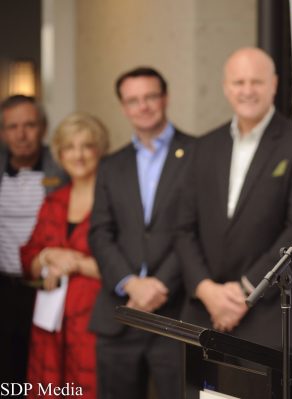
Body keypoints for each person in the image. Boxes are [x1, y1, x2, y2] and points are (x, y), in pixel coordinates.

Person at [176, 47, 292, 355]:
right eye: (238, 82)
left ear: (274, 84)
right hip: (206, 317)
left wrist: (248, 289)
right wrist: (206, 290)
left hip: (273, 323)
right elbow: (182, 228)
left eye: (256, 82)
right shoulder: (203, 147)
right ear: (225, 87)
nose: (247, 91)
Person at [88, 67, 194, 399]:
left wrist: (160, 285)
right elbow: (100, 233)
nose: (143, 106)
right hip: (121, 313)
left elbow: (198, 231)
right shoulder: (110, 164)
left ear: (165, 98)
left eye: (150, 97)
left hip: (176, 314)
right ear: (123, 107)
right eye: (133, 100)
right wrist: (131, 283)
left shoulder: (199, 153)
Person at [20, 112, 109, 398]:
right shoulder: (53, 201)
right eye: (70, 147)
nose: (78, 155)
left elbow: (129, 265)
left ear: (100, 150)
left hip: (94, 322)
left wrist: (77, 263)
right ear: (59, 154)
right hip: (50, 325)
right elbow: (28, 259)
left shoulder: (115, 201)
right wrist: (47, 256)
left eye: (87, 146)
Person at [0, 95, 67, 390]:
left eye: (29, 125)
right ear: (3, 132)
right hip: (4, 287)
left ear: (43, 128)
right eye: (12, 126)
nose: (21, 134)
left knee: (45, 375)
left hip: (48, 291)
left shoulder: (62, 170)